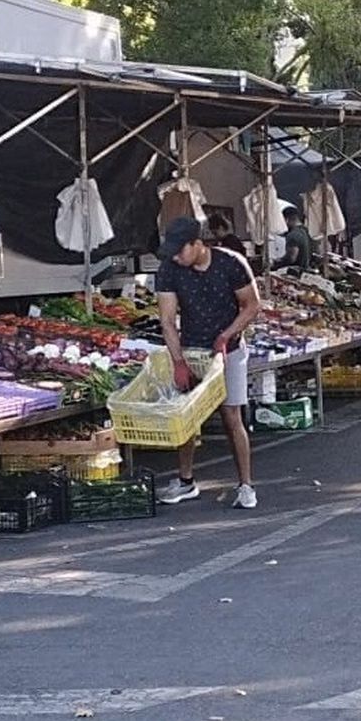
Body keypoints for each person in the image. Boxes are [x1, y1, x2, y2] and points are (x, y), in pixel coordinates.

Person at [153, 216, 262, 509]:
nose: (176, 257)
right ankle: (186, 481)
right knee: (185, 416)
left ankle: (246, 485)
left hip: (231, 351)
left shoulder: (231, 263)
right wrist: (178, 361)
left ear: (198, 244)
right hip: (191, 349)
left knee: (232, 416)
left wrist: (226, 335)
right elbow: (167, 320)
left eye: (180, 251)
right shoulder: (169, 271)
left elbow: (251, 305)